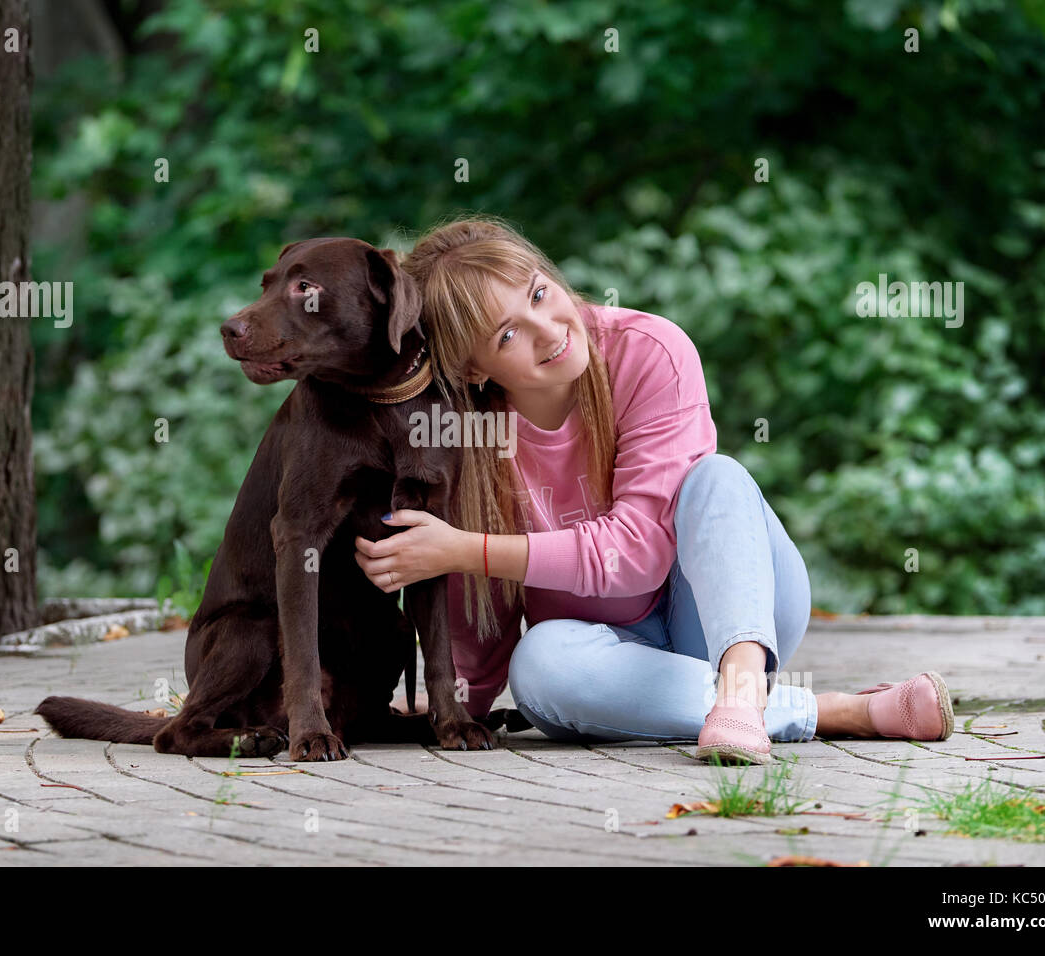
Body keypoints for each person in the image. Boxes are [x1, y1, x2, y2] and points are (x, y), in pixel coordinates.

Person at [353, 215, 954, 763]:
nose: (547, 329)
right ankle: (836, 712)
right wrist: (459, 699)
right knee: (537, 669)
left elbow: (637, 555)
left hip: (724, 616)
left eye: (539, 293)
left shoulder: (650, 351)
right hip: (613, 651)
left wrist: (463, 547)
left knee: (717, 477)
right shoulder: (469, 431)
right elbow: (482, 603)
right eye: (506, 335)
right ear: (472, 369)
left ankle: (744, 695)